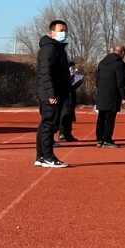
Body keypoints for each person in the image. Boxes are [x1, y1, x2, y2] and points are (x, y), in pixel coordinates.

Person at [35, 21, 73, 169]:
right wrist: (51, 93)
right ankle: (48, 157)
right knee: (49, 124)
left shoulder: (58, 49)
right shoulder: (49, 49)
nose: (64, 32)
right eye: (61, 30)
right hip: (51, 94)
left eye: (65, 30)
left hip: (57, 92)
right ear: (52, 33)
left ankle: (41, 156)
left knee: (46, 124)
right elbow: (46, 73)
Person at [93, 44, 125, 148]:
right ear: (122, 53)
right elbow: (120, 81)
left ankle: (99, 139)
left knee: (101, 117)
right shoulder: (119, 64)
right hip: (113, 94)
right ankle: (107, 139)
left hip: (101, 93)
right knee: (110, 118)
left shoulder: (102, 63)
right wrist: (123, 96)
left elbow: (97, 79)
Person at [59, 65, 83, 142]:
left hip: (71, 98)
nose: (73, 70)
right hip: (64, 98)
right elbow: (63, 85)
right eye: (71, 68)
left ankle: (68, 134)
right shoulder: (62, 75)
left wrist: (78, 83)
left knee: (70, 116)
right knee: (64, 115)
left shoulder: (70, 77)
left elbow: (71, 87)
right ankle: (62, 133)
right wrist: (70, 78)